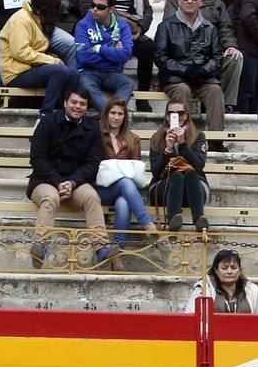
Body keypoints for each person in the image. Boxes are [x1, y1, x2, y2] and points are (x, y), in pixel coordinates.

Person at [28, 87, 106, 266]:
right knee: (50, 197)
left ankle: (101, 247)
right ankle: (39, 246)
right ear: (65, 103)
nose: (78, 107)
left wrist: (72, 182)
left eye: (82, 104)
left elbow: (92, 164)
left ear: (87, 107)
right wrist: (57, 182)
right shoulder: (47, 122)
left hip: (75, 181)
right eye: (74, 102)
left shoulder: (93, 129)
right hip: (45, 179)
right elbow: (37, 158)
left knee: (92, 197)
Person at [160, 0, 242, 120]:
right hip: (182, 55)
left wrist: (230, 45)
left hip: (210, 51)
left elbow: (225, 26)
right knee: (183, 87)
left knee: (235, 57)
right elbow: (170, 28)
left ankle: (226, 104)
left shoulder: (215, 1)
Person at [156, 0, 228, 139]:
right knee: (183, 90)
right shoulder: (165, 26)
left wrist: (203, 71)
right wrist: (184, 70)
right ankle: (186, 138)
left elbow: (217, 57)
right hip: (175, 79)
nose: (190, 1)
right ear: (179, 1)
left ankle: (216, 140)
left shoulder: (210, 27)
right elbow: (160, 57)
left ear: (200, 2)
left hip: (202, 78)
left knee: (215, 91)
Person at [80, 0, 154, 93]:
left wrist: (140, 28)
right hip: (100, 29)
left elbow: (147, 10)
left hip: (132, 30)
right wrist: (110, 24)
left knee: (148, 48)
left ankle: (143, 95)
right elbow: (85, 6)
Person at [0, 0, 78, 111]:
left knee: (73, 73)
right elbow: (20, 52)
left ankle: (65, 111)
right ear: (43, 9)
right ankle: (47, 112)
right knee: (60, 71)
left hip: (31, 67)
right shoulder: (21, 20)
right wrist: (50, 60)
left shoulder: (37, 18)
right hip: (16, 73)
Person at [96, 96, 157, 257]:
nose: (116, 117)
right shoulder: (97, 135)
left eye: (120, 114)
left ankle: (117, 253)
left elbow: (136, 170)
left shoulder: (133, 138)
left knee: (123, 203)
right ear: (106, 114)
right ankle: (147, 223)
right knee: (124, 181)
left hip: (123, 191)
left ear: (125, 117)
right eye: (113, 113)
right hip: (100, 188)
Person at [150, 97, 210, 231]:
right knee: (177, 177)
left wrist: (183, 144)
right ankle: (173, 220)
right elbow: (155, 173)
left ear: (186, 115)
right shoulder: (157, 137)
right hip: (164, 187)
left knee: (190, 174)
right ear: (166, 116)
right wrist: (168, 149)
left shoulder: (198, 136)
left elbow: (199, 165)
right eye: (171, 114)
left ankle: (199, 220)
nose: (176, 117)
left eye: (180, 114)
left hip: (193, 188)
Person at [74, 0, 134, 110]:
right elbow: (83, 56)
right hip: (88, 71)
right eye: (93, 5)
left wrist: (99, 48)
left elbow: (126, 54)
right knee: (86, 85)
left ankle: (111, 115)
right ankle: (112, 116)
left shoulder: (122, 26)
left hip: (113, 72)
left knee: (127, 84)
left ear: (111, 9)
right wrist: (113, 50)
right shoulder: (82, 25)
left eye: (101, 7)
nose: (94, 9)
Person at [187, 249, 258, 312]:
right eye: (224, 268)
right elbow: (191, 317)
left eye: (234, 268)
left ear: (240, 270)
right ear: (216, 270)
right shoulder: (203, 289)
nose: (229, 271)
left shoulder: (253, 290)